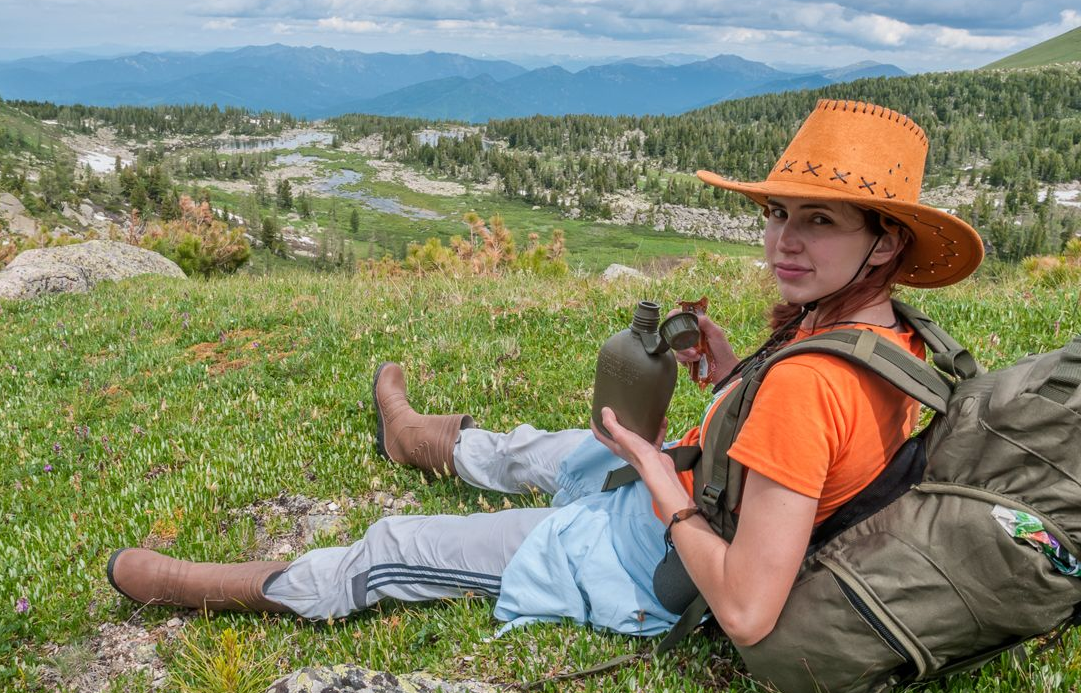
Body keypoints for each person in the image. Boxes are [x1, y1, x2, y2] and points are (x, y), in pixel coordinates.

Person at [106, 99, 984, 651]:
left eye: (818, 220)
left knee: (401, 544)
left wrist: (655, 478)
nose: (783, 239)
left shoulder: (809, 385)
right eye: (777, 212)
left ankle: (226, 586)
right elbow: (808, 453)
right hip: (703, 493)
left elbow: (750, 608)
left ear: (886, 239)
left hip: (654, 561)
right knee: (552, 448)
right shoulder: (883, 335)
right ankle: (419, 439)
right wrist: (728, 375)